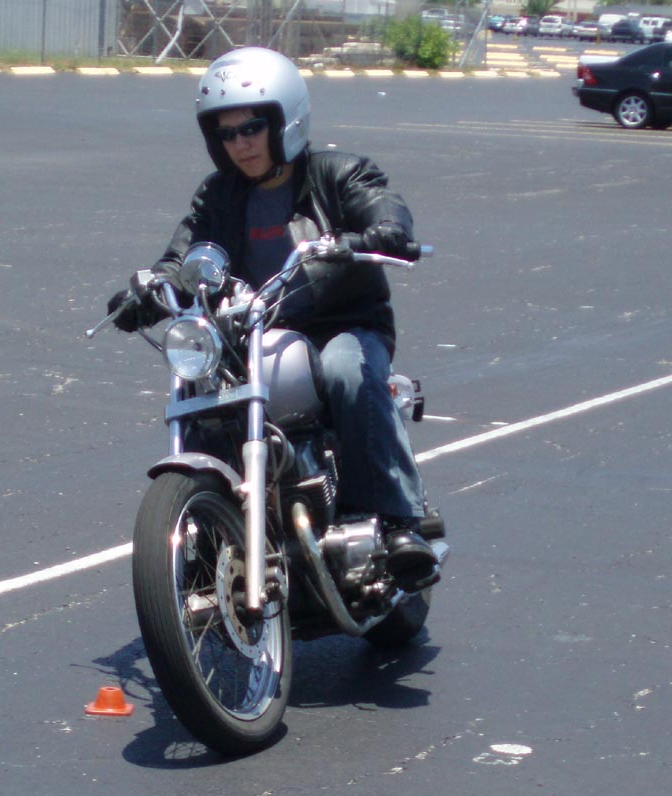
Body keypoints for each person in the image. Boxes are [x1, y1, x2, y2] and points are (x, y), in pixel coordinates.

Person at [108, 46, 439, 592]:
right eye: (226, 133)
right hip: (251, 334)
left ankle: (396, 521)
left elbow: (382, 205)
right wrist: (148, 291)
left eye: (252, 128)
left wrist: (382, 232)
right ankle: (208, 532)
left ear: (285, 121)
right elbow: (183, 256)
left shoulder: (337, 172)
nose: (240, 143)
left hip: (340, 325)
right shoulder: (219, 195)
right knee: (202, 391)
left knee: (345, 373)